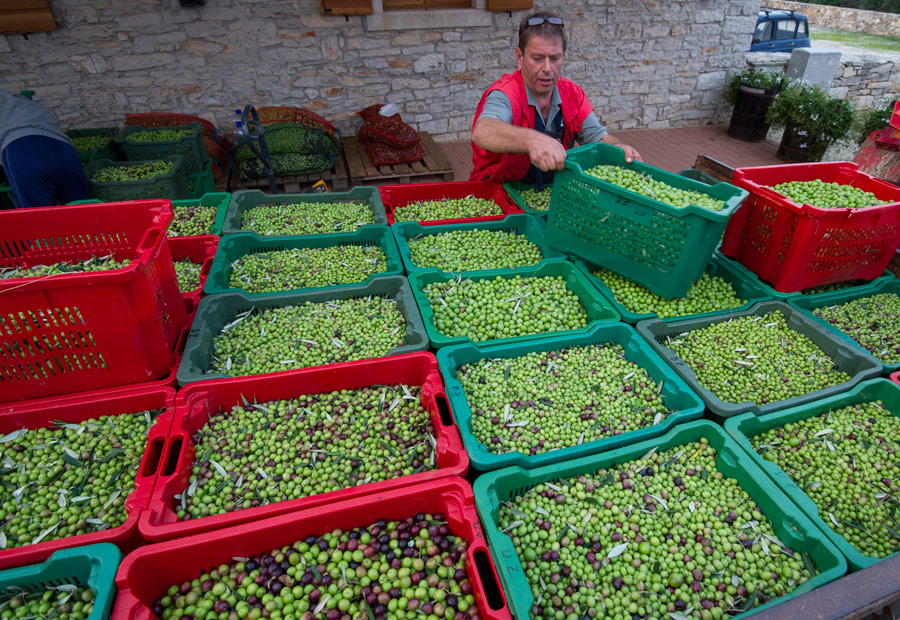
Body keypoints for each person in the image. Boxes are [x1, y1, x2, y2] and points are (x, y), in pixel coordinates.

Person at [470, 11, 641, 185]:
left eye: (555, 58)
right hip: (496, 194)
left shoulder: (572, 94)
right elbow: (483, 131)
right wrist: (533, 140)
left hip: (552, 194)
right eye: (537, 58)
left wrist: (618, 149)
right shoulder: (505, 93)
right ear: (520, 58)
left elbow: (598, 137)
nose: (547, 68)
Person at [0, 89, 90, 209]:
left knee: (38, 218)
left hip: (21, 151)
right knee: (83, 210)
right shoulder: (17, 99)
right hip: (62, 148)